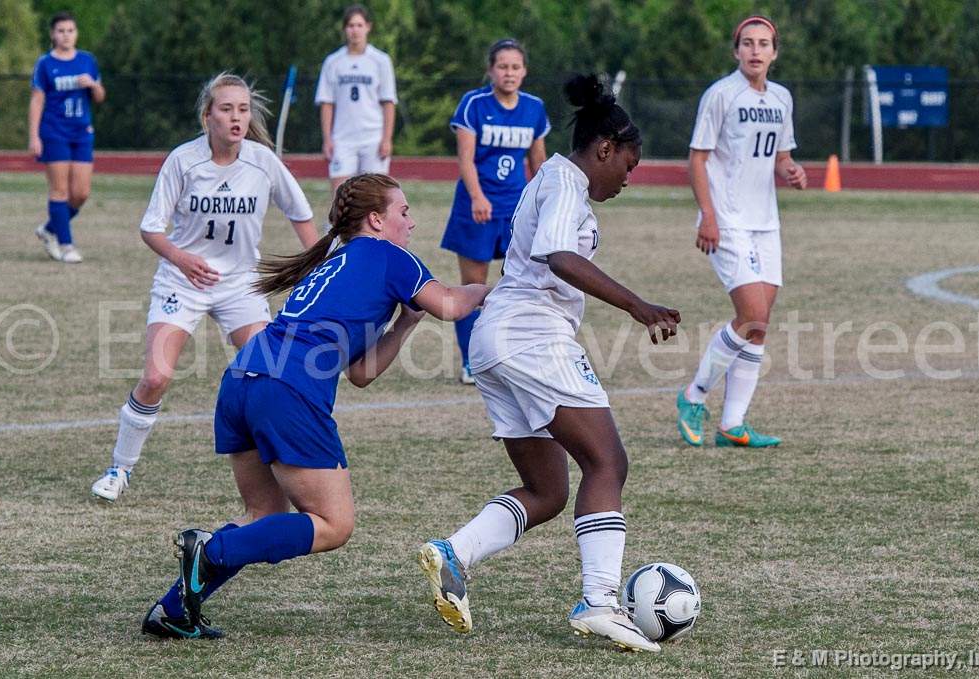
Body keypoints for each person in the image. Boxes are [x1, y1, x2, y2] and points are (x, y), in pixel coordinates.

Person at [141, 173, 490, 639]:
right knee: (334, 524)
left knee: (264, 515)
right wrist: (493, 288)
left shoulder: (336, 261)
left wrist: (405, 325)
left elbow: (361, 374)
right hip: (287, 390)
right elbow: (449, 302)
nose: (411, 222)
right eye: (403, 212)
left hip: (243, 380)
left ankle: (172, 610)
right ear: (376, 220)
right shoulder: (390, 256)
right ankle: (209, 550)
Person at [416, 75, 681, 653]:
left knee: (547, 490)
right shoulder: (565, 181)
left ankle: (453, 554)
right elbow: (559, 257)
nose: (628, 179)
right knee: (608, 463)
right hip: (532, 338)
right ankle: (601, 602)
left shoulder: (557, 182)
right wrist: (637, 305)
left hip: (497, 342)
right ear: (604, 148)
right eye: (629, 166)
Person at [90, 73, 321, 502]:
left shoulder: (263, 161)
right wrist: (183, 258)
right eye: (227, 109)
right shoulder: (183, 160)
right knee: (156, 376)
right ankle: (119, 469)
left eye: (243, 109)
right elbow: (151, 228)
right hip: (183, 280)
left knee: (267, 379)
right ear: (206, 116)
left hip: (241, 287)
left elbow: (302, 216)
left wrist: (321, 268)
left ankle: (282, 474)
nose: (237, 117)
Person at [676, 15, 808, 450]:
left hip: (766, 222)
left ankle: (733, 424)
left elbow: (780, 156)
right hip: (727, 220)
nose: (755, 50)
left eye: (763, 44)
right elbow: (698, 159)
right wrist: (707, 216)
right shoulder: (721, 95)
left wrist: (791, 170)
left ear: (775, 52)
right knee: (752, 313)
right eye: (747, 43)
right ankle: (693, 395)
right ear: (736, 52)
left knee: (759, 326)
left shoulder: (782, 98)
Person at [440, 38, 549, 384]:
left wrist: (545, 201)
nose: (509, 73)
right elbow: (466, 159)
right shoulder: (473, 104)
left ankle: (512, 353)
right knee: (474, 286)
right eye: (503, 66)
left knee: (521, 285)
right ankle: (472, 360)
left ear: (525, 71)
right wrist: (477, 197)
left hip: (515, 210)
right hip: (477, 209)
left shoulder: (534, 108)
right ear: (490, 70)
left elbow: (538, 162)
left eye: (515, 67)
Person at [28, 11, 105, 264]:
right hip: (54, 131)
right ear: (53, 34)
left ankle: (49, 229)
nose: (66, 35)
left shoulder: (87, 61)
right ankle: (66, 244)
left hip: (81, 133)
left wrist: (92, 85)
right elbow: (37, 101)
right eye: (61, 31)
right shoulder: (45, 64)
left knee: (81, 193)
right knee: (59, 190)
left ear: (76, 33)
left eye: (70, 30)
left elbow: (100, 97)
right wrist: (34, 136)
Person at [315, 4, 397, 190]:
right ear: (345, 29)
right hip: (343, 138)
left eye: (359, 25)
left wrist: (386, 138)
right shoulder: (333, 62)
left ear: (368, 27)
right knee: (341, 195)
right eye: (351, 25)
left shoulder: (381, 61)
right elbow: (327, 103)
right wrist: (327, 138)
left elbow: (388, 102)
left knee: (374, 195)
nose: (355, 30)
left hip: (372, 138)